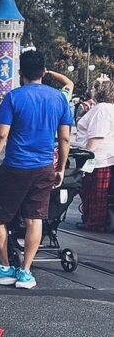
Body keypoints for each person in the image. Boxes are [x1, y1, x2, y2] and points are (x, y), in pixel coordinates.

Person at [0, 49, 73, 290]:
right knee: (35, 218)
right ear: (43, 72)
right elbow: (64, 139)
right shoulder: (59, 98)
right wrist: (59, 167)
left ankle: (5, 267)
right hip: (44, 167)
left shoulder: (14, 97)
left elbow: (1, 134)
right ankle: (26, 272)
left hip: (16, 166)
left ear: (20, 73)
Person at [76, 77, 114, 231]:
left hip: (98, 158)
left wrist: (86, 156)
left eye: (93, 88)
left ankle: (94, 222)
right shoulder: (108, 107)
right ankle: (92, 219)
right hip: (105, 156)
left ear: (99, 91)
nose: (91, 91)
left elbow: (97, 136)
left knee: (94, 192)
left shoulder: (101, 109)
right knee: (95, 191)